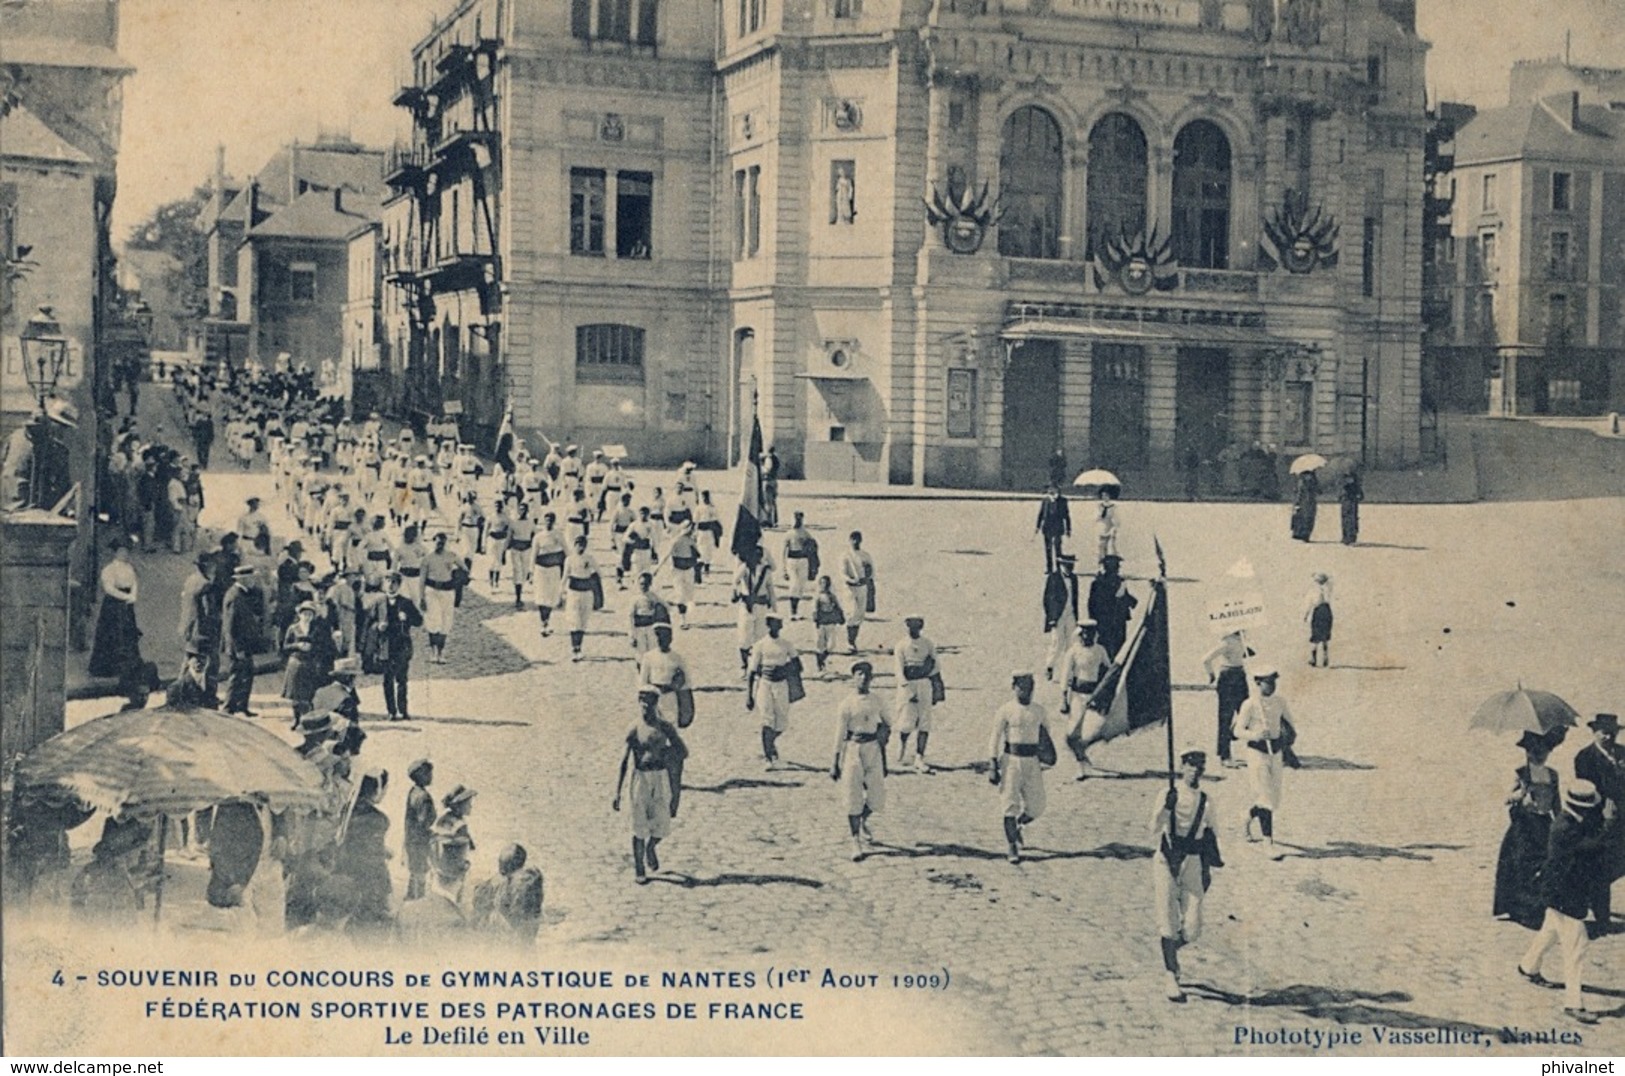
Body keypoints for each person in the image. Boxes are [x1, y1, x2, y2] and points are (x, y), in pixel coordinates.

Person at [1518, 780, 1607, 1025]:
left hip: (1557, 892)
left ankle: (1529, 966)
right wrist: (1610, 824)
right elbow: (1592, 848)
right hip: (1565, 896)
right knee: (1576, 948)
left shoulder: (1571, 821)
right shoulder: (1565, 828)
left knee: (1549, 931)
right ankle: (1573, 1003)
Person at [1153, 751, 1223, 1002]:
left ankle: (1169, 950)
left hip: (1193, 861)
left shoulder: (1206, 800)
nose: (1196, 770)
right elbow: (1153, 828)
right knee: (1168, 922)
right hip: (1166, 861)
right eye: (1191, 765)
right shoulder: (1167, 793)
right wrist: (1166, 808)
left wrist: (1207, 869)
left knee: (1193, 928)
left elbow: (1211, 834)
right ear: (1182, 766)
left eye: (1200, 766)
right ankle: (1171, 973)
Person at [613, 688, 689, 884]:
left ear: (656, 703)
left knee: (662, 824)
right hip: (640, 779)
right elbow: (623, 761)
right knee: (638, 826)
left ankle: (651, 847)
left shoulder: (665, 728)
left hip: (660, 778)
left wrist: (666, 752)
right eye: (642, 702)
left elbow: (682, 751)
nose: (645, 707)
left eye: (649, 703)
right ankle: (639, 868)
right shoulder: (634, 728)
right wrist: (617, 792)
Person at [1494, 731, 1562, 930]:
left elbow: (1556, 801)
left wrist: (1559, 822)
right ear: (1528, 751)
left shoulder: (1552, 774)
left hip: (1544, 825)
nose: (1539, 754)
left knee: (1544, 864)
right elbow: (1506, 798)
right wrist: (1521, 794)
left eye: (1543, 750)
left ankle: (1538, 908)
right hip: (1524, 826)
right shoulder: (1521, 773)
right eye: (1534, 750)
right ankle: (1520, 909)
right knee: (1522, 865)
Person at [989, 672, 1054, 864]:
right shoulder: (1006, 710)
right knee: (1009, 805)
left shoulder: (1039, 711)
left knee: (1037, 806)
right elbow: (995, 736)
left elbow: (1046, 738)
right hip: (1011, 762)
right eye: (1022, 687)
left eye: (1030, 687)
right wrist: (993, 764)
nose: (1026, 691)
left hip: (1032, 762)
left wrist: (1044, 761)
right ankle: (1012, 846)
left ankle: (1019, 825)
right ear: (1014, 687)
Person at [1232, 665, 1294, 853]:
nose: (1272, 685)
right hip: (1257, 754)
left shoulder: (1280, 702)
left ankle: (1247, 816)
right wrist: (1256, 734)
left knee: (1274, 799)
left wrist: (1285, 736)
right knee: (1266, 798)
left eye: (1274, 681)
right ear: (1258, 683)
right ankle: (1268, 843)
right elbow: (1236, 731)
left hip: (1275, 752)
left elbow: (1289, 724)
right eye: (1268, 682)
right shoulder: (1250, 704)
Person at [831, 661, 888, 861]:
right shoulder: (846, 704)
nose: (863, 678)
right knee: (853, 794)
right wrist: (835, 760)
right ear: (853, 677)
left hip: (873, 749)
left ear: (872, 678)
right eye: (859, 674)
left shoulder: (877, 700)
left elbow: (886, 725)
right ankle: (855, 840)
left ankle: (863, 820)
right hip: (853, 750)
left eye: (867, 674)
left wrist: (884, 753)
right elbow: (839, 734)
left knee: (877, 796)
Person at [1573, 713, 1623, 935]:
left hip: (1622, 818)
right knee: (1601, 866)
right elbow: (1586, 787)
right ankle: (1602, 917)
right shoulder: (1584, 757)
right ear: (1594, 732)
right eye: (1603, 731)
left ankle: (1591, 894)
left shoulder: (1623, 753)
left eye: (1612, 732)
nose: (1608, 736)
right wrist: (1602, 807)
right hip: (1598, 819)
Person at [748, 614, 802, 771]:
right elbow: (752, 671)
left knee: (782, 722)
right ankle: (769, 757)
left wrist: (783, 669)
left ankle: (769, 745)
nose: (777, 626)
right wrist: (749, 696)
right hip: (765, 685)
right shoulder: (760, 645)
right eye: (774, 623)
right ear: (768, 624)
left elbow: (798, 665)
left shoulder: (786, 644)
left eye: (779, 623)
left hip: (781, 685)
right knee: (767, 719)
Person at [1060, 620, 1111, 779]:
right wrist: (1064, 699)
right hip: (1077, 696)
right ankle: (1080, 765)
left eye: (1090, 633)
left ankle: (1084, 759)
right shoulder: (1073, 652)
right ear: (1080, 635)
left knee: (1090, 731)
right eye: (1084, 634)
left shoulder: (1099, 650)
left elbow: (1109, 669)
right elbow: (1065, 675)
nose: (1086, 637)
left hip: (1093, 696)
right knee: (1073, 731)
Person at [89, 539, 143, 682]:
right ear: (115, 553)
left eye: (126, 552)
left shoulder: (130, 568)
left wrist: (133, 595)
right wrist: (125, 596)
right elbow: (109, 589)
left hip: (127, 605)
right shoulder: (109, 570)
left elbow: (134, 582)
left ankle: (128, 666)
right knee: (112, 633)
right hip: (113, 605)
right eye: (121, 552)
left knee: (128, 633)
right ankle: (109, 668)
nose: (124, 554)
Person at [893, 615, 942, 774]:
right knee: (906, 721)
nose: (912, 629)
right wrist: (906, 687)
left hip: (924, 683)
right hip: (907, 685)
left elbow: (935, 664)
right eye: (910, 625)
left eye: (916, 626)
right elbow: (898, 669)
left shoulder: (927, 644)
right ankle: (902, 747)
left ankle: (919, 756)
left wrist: (925, 672)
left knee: (924, 721)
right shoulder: (901, 645)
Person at [1201, 631, 1253, 767]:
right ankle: (1225, 756)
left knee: (1247, 713)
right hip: (1228, 678)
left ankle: (1232, 733)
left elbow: (1244, 654)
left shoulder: (1241, 638)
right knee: (1226, 717)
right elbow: (1206, 659)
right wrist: (1211, 674)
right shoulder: (1226, 642)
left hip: (1240, 676)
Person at [472, 844, 544, 940]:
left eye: (502, 864)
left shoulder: (509, 884)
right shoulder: (532, 879)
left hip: (510, 935)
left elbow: (479, 904)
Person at [377, 572, 423, 721]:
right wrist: (378, 626)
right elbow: (368, 623)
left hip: (402, 645)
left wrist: (407, 618)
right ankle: (391, 710)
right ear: (384, 584)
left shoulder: (406, 602)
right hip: (386, 645)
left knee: (402, 680)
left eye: (394, 582)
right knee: (387, 680)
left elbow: (419, 621)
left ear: (399, 585)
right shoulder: (378, 602)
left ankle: (403, 710)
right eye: (388, 581)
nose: (390, 585)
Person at [221, 564, 262, 716]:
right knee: (236, 677)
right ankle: (228, 709)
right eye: (251, 578)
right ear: (243, 579)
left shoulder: (242, 594)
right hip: (238, 646)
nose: (253, 581)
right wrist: (238, 649)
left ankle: (241, 706)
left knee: (247, 676)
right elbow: (230, 627)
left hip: (245, 645)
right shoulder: (235, 596)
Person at [733, 544, 776, 674]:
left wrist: (775, 609)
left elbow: (771, 590)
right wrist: (737, 591)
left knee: (760, 636)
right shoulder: (744, 568)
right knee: (744, 637)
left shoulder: (766, 571)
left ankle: (757, 666)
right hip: (746, 606)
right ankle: (744, 665)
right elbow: (735, 581)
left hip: (761, 605)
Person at [281, 601, 324, 724]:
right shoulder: (293, 628)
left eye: (310, 614)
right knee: (295, 694)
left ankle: (308, 718)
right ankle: (296, 718)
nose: (307, 617)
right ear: (300, 615)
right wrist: (297, 645)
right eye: (305, 614)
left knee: (309, 694)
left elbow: (321, 646)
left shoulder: (316, 629)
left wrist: (313, 647)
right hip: (295, 663)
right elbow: (285, 647)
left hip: (310, 663)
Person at [1087, 554, 1138, 661]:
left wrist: (1132, 602)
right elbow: (1093, 603)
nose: (1118, 569)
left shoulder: (1115, 581)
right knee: (1109, 646)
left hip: (1115, 620)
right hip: (1108, 621)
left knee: (1114, 645)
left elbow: (1124, 595)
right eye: (1116, 567)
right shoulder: (1099, 583)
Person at [431, 785, 478, 898]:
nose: (471, 805)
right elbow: (469, 848)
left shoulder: (443, 819)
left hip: (439, 870)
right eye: (468, 802)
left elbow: (437, 842)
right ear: (459, 805)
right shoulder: (461, 825)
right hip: (453, 873)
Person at [562, 535, 604, 662]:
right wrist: (561, 591)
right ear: (574, 545)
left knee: (583, 621)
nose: (580, 547)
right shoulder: (569, 559)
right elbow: (564, 576)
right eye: (578, 544)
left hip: (586, 592)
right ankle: (574, 648)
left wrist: (592, 578)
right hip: (573, 592)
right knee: (574, 621)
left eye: (583, 545)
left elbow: (599, 573)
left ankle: (579, 647)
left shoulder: (589, 559)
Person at [422, 531, 462, 664]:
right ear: (433, 542)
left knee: (446, 621)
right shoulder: (428, 558)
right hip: (432, 591)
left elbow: (465, 570)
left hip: (447, 591)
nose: (440, 545)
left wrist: (456, 575)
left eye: (442, 543)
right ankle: (433, 651)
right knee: (433, 621)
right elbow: (422, 579)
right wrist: (421, 597)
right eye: (438, 542)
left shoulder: (451, 556)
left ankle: (441, 652)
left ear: (446, 543)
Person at [1042, 553, 1080, 682]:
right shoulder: (1053, 578)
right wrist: (1051, 617)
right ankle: (1049, 666)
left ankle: (1069, 673)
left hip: (1070, 614)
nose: (1070, 568)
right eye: (1068, 565)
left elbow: (1075, 598)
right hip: (1058, 616)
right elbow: (1047, 599)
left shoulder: (1074, 578)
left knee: (1072, 643)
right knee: (1057, 643)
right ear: (1061, 565)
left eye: (1072, 565)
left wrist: (1076, 616)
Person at [403, 759, 436, 902]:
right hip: (420, 841)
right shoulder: (423, 796)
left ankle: (411, 899)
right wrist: (432, 834)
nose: (431, 776)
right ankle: (418, 903)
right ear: (421, 775)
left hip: (411, 839)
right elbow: (422, 823)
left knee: (415, 872)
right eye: (428, 773)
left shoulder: (413, 792)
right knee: (420, 873)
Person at [532, 511, 567, 638]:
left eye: (551, 520)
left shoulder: (558, 535)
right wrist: (531, 572)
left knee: (551, 597)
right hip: (540, 569)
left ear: (554, 521)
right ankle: (543, 622)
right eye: (547, 520)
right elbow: (533, 555)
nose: (549, 522)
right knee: (541, 596)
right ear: (544, 521)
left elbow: (567, 552)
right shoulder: (539, 536)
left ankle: (547, 620)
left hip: (554, 569)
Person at [840, 530, 875, 654]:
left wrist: (867, 579)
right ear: (849, 540)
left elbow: (871, 571)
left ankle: (853, 641)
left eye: (857, 539)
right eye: (853, 539)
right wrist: (852, 580)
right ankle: (849, 642)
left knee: (860, 614)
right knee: (852, 613)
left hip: (862, 587)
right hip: (850, 589)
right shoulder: (846, 556)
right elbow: (843, 574)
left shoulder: (865, 555)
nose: (855, 542)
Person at [781, 511, 818, 620]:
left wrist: (813, 566)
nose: (797, 521)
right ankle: (792, 612)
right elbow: (784, 552)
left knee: (801, 585)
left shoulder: (805, 533)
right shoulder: (788, 534)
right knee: (794, 585)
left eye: (799, 519)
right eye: (795, 518)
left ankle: (796, 610)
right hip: (792, 560)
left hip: (803, 560)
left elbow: (813, 550)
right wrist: (784, 568)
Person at [811, 576, 846, 674]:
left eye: (826, 583)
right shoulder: (817, 597)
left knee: (831, 645)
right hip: (821, 623)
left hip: (831, 623)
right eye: (822, 583)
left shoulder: (832, 596)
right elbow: (814, 610)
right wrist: (816, 620)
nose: (824, 585)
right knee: (820, 644)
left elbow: (838, 606)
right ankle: (820, 664)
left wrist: (841, 617)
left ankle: (822, 658)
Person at [506, 501, 537, 610]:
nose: (521, 511)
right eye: (520, 509)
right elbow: (509, 537)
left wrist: (536, 550)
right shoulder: (513, 522)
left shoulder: (530, 522)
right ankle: (518, 597)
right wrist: (504, 551)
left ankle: (521, 589)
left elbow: (536, 536)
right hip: (515, 549)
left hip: (527, 549)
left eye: (524, 509)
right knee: (517, 572)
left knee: (524, 572)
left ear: (527, 511)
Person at [1034, 484, 1071, 573]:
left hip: (1058, 527)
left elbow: (1066, 516)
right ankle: (1049, 568)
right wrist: (1037, 526)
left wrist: (1068, 529)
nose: (1051, 491)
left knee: (1058, 548)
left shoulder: (1063, 500)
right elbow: (1041, 513)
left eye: (1053, 490)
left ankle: (1058, 567)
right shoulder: (1045, 500)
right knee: (1048, 548)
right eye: (1050, 490)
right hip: (1047, 526)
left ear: (1058, 490)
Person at [1303, 572, 1334, 668]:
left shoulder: (1312, 591)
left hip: (1318, 611)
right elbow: (1330, 582)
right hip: (1327, 611)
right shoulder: (1328, 589)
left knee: (1316, 635)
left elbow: (1309, 604)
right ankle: (1325, 657)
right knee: (1325, 635)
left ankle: (1313, 658)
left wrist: (1306, 614)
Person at [1290, 469, 1319, 542]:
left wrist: (1296, 502)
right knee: (1310, 518)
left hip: (1303, 502)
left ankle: (1301, 534)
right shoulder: (1314, 480)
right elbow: (1319, 491)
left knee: (1302, 518)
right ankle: (1307, 535)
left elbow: (1299, 493)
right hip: (1311, 502)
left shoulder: (1301, 480)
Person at [1339, 468, 1363, 545]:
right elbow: (1340, 496)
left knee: (1352, 521)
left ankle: (1352, 537)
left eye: (1350, 478)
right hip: (1345, 506)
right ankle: (1345, 537)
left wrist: (1358, 496)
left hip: (1353, 505)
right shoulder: (1344, 487)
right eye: (1347, 478)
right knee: (1345, 521)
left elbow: (1361, 495)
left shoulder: (1356, 487)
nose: (1349, 480)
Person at [1094, 488, 1120, 560]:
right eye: (1103, 495)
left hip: (1110, 527)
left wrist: (1114, 527)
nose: (1104, 497)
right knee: (1101, 546)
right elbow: (1096, 518)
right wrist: (1100, 514)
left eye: (1106, 495)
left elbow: (1116, 519)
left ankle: (1112, 563)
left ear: (1109, 496)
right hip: (1102, 527)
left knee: (1112, 546)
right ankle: (1101, 564)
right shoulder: (1099, 506)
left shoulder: (1113, 506)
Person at [760, 445, 781, 529]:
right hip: (774, 481)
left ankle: (769, 521)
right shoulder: (776, 458)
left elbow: (767, 470)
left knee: (768, 502)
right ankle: (775, 520)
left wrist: (762, 468)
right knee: (773, 502)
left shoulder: (769, 459)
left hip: (768, 481)